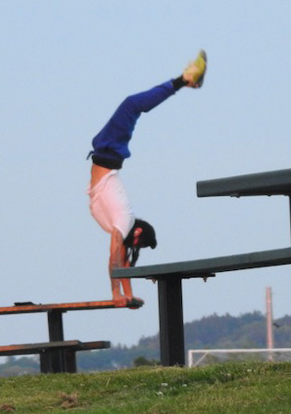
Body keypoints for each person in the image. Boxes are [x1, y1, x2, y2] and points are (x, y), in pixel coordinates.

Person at [87, 50, 207, 308]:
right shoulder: (124, 219)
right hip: (109, 153)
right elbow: (115, 257)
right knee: (132, 105)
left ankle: (186, 80)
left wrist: (124, 295)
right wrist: (117, 293)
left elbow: (121, 258)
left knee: (132, 105)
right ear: (138, 231)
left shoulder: (120, 224)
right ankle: (184, 80)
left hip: (107, 153)